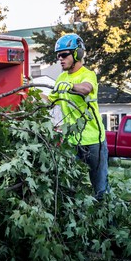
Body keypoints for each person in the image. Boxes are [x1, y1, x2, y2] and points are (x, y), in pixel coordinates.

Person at [48, 33, 109, 199]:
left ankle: (107, 220)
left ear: (77, 54)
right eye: (58, 56)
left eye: (64, 55)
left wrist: (71, 86)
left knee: (100, 187)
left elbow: (86, 88)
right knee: (70, 185)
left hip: (94, 140)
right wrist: (29, 90)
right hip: (72, 141)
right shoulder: (61, 78)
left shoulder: (87, 74)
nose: (60, 59)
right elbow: (51, 100)